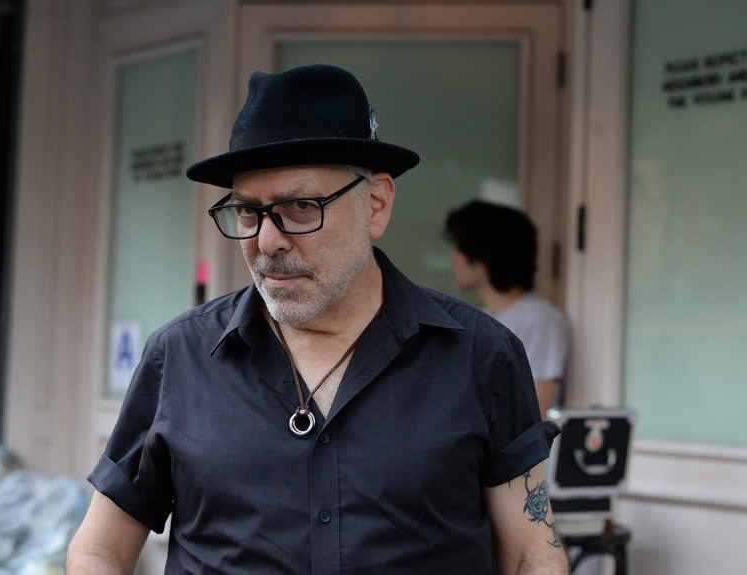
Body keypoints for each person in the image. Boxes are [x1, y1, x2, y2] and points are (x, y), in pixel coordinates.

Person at [67, 64, 568, 575]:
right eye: (247, 212)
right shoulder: (180, 355)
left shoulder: (480, 355)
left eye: (301, 207)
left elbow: (532, 554)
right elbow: (98, 549)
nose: (267, 241)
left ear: (376, 205)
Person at [444, 201, 570, 418]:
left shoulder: (539, 318)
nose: (454, 257)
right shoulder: (479, 319)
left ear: (480, 257)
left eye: (458, 248)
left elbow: (534, 409)